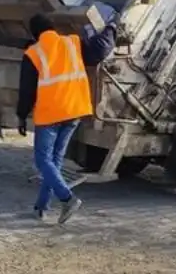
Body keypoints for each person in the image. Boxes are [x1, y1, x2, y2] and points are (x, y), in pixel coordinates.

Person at [17, 11, 117, 223]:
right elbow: (101, 49)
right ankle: (41, 208)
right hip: (74, 111)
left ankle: (67, 198)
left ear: (35, 34)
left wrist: (21, 116)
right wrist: (111, 28)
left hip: (50, 114)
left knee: (42, 160)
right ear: (54, 28)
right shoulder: (73, 43)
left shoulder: (33, 53)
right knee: (54, 161)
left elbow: (26, 90)